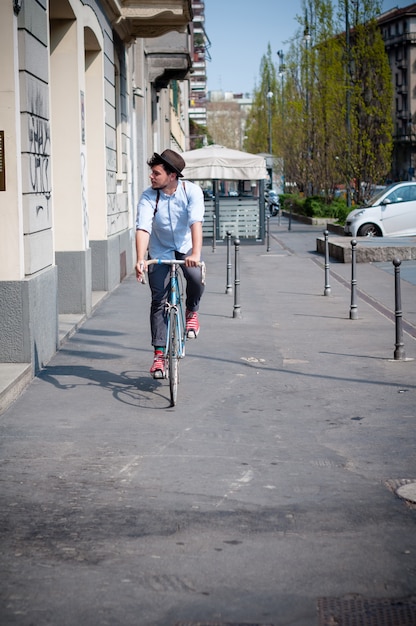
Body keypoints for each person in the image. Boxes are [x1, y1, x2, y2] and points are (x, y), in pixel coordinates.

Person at [135, 149, 205, 379]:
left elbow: (195, 222)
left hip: (185, 246)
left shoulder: (191, 192)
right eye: (151, 173)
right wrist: (140, 259)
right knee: (159, 299)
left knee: (195, 278)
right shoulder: (148, 196)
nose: (151, 177)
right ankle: (158, 355)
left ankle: (191, 310)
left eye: (156, 173)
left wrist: (195, 253)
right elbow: (143, 227)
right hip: (160, 248)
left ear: (172, 175)